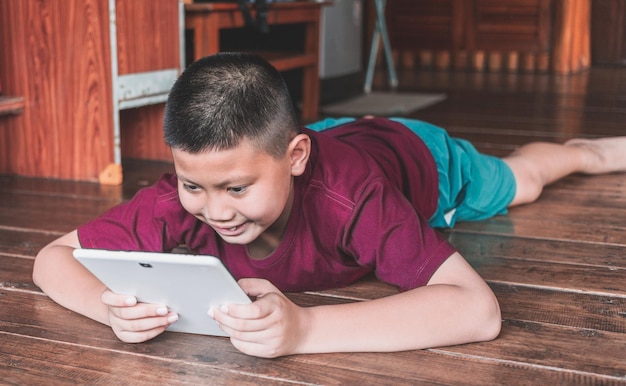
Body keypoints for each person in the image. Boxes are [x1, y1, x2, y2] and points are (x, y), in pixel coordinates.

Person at [33, 52, 626, 358]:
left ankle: (586, 152)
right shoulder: (185, 195)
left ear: (294, 158)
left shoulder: (352, 196)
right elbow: (52, 258)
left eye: (236, 190)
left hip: (417, 156)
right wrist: (106, 310)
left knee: (521, 181)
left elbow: (478, 312)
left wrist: (307, 327)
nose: (214, 211)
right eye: (196, 185)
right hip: (315, 136)